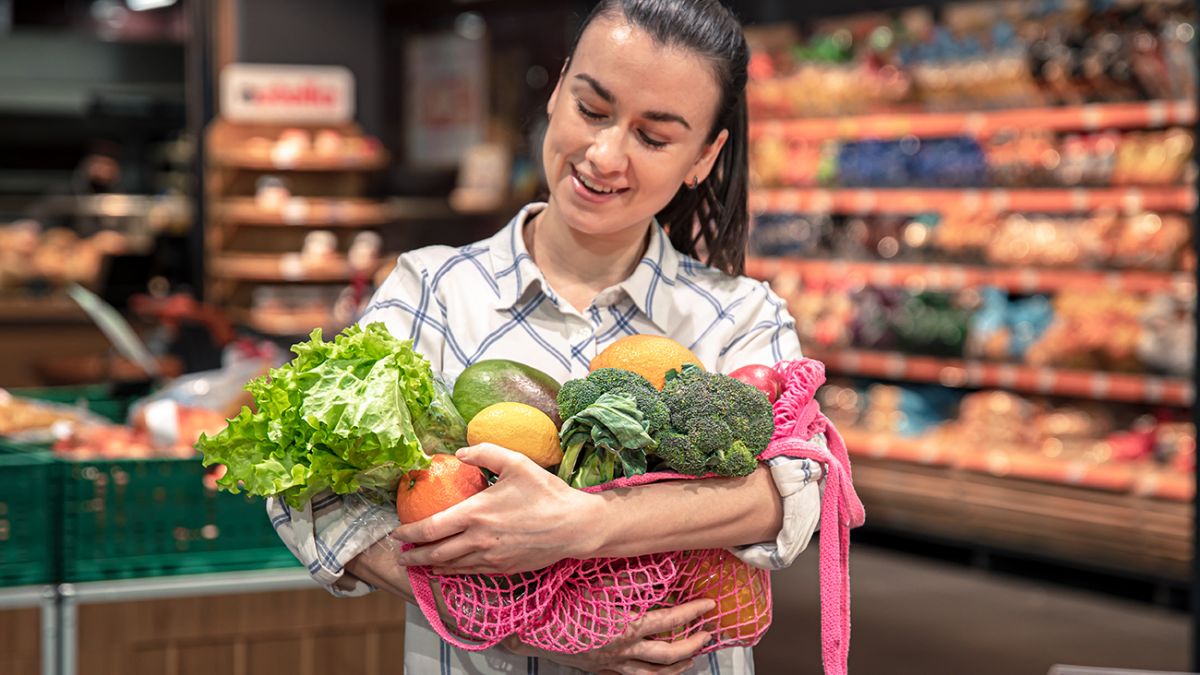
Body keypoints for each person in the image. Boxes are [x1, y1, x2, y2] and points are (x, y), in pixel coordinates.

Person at [268, 1, 826, 672]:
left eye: (653, 138)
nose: (604, 154)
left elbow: (792, 486)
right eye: (592, 109)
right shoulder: (433, 293)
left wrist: (588, 526)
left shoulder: (738, 315)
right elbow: (313, 493)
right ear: (560, 89)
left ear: (704, 157)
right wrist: (530, 628)